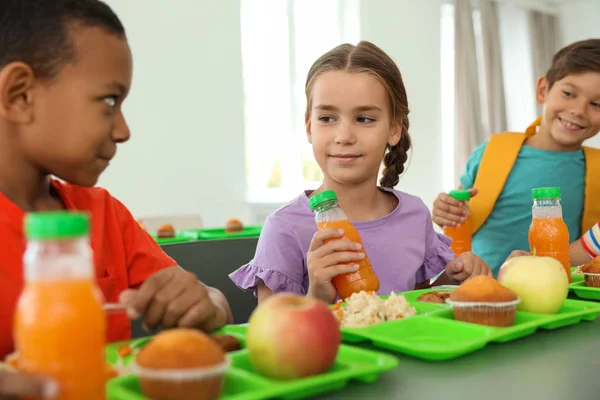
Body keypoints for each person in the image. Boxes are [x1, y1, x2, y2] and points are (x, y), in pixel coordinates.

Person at [0, 1, 233, 394]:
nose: (123, 130)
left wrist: (205, 303)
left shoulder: (105, 213)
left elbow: (215, 304)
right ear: (20, 95)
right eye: (109, 101)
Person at [230, 41, 492, 305]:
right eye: (327, 118)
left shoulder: (414, 214)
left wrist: (454, 278)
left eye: (364, 118)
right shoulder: (285, 228)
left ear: (394, 128)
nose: (344, 136)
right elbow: (273, 337)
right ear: (309, 127)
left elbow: (417, 305)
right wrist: (317, 296)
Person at [432, 39, 600, 275]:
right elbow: (459, 221)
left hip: (554, 300)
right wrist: (446, 212)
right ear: (543, 89)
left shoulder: (597, 170)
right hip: (476, 291)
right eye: (569, 93)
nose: (579, 110)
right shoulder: (492, 152)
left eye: (597, 104)